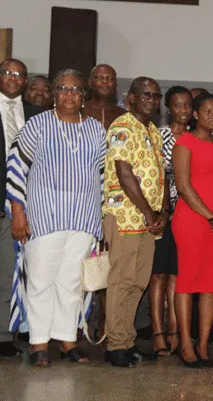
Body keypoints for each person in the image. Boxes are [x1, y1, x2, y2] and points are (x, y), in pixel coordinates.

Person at [7, 69, 105, 366]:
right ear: (54, 93)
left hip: (83, 218)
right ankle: (38, 342)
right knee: (40, 280)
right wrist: (18, 212)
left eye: (76, 89)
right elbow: (15, 169)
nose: (69, 94)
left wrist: (101, 221)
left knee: (71, 282)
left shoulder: (96, 130)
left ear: (84, 95)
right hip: (44, 216)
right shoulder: (36, 125)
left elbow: (102, 176)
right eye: (63, 88)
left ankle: (66, 340)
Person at [103, 77, 169, 367]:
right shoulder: (122, 126)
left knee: (138, 283)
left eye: (156, 95)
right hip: (126, 216)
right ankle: (115, 344)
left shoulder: (153, 131)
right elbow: (124, 172)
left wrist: (164, 211)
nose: (151, 100)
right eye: (145, 94)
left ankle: (127, 341)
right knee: (121, 280)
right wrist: (148, 211)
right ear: (130, 98)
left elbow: (161, 175)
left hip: (149, 221)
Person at [172, 93, 213, 368]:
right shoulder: (184, 143)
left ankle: (203, 344)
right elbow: (184, 186)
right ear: (196, 114)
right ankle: (185, 343)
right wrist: (211, 216)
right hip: (192, 219)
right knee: (187, 281)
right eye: (207, 111)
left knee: (211, 284)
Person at [0, 58, 44, 357]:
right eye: (7, 73)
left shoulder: (36, 115)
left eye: (19, 74)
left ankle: (4, 335)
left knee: (10, 272)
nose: (13, 78)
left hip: (22, 204)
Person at [148, 85, 192, 357]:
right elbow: (157, 175)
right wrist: (165, 209)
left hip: (190, 215)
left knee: (179, 274)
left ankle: (176, 329)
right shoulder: (158, 135)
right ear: (168, 108)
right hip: (163, 213)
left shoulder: (197, 138)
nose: (183, 110)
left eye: (188, 105)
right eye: (178, 105)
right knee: (159, 274)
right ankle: (157, 331)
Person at [83, 64, 126, 130]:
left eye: (110, 78)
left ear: (115, 83)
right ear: (90, 82)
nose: (105, 81)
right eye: (100, 77)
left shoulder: (124, 115)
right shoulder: (79, 111)